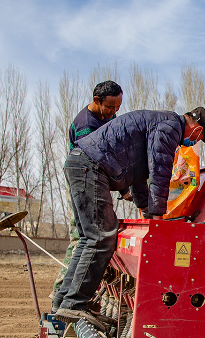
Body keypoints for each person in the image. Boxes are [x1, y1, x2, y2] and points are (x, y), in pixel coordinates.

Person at [52, 107, 205, 328]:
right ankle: (74, 305)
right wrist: (158, 216)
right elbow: (160, 169)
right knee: (101, 238)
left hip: (81, 164)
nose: (194, 142)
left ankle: (62, 302)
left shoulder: (159, 123)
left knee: (88, 240)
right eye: (199, 138)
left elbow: (140, 177)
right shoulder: (170, 127)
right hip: (90, 168)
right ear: (197, 130)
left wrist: (147, 211)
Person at [51, 80, 123, 299]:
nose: (113, 112)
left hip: (97, 181)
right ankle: (62, 295)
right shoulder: (86, 125)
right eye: (110, 107)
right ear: (96, 101)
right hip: (82, 181)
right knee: (84, 238)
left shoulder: (107, 117)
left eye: (117, 108)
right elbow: (96, 159)